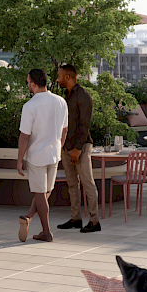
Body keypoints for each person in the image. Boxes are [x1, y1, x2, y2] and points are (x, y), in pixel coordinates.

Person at [15, 67, 69, 242]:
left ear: (32, 83)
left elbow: (24, 136)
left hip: (37, 156)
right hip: (54, 154)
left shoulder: (30, 106)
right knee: (45, 193)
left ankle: (46, 232)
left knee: (40, 194)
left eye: (28, 82)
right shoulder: (61, 101)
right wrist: (58, 147)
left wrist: (19, 159)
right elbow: (65, 130)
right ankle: (29, 218)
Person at [56, 64, 101, 235]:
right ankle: (75, 218)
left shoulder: (84, 97)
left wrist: (77, 149)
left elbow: (85, 126)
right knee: (72, 184)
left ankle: (94, 220)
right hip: (66, 146)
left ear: (67, 77)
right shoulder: (65, 97)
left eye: (59, 76)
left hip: (80, 147)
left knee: (87, 182)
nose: (57, 79)